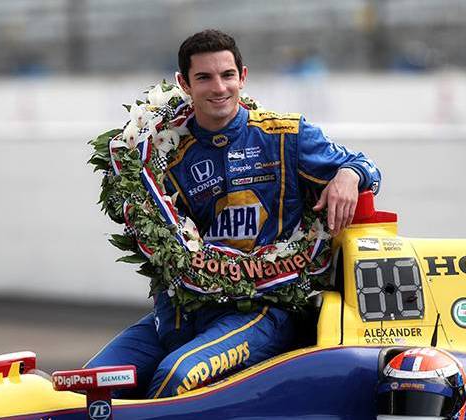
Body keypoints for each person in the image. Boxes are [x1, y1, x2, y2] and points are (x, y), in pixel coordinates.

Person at [85, 29, 381, 399]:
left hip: (261, 310)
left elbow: (364, 165)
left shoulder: (285, 135)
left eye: (227, 75)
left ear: (243, 76)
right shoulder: (160, 152)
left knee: (177, 375)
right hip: (180, 312)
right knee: (88, 384)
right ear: (184, 84)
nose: (219, 88)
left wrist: (348, 176)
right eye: (204, 77)